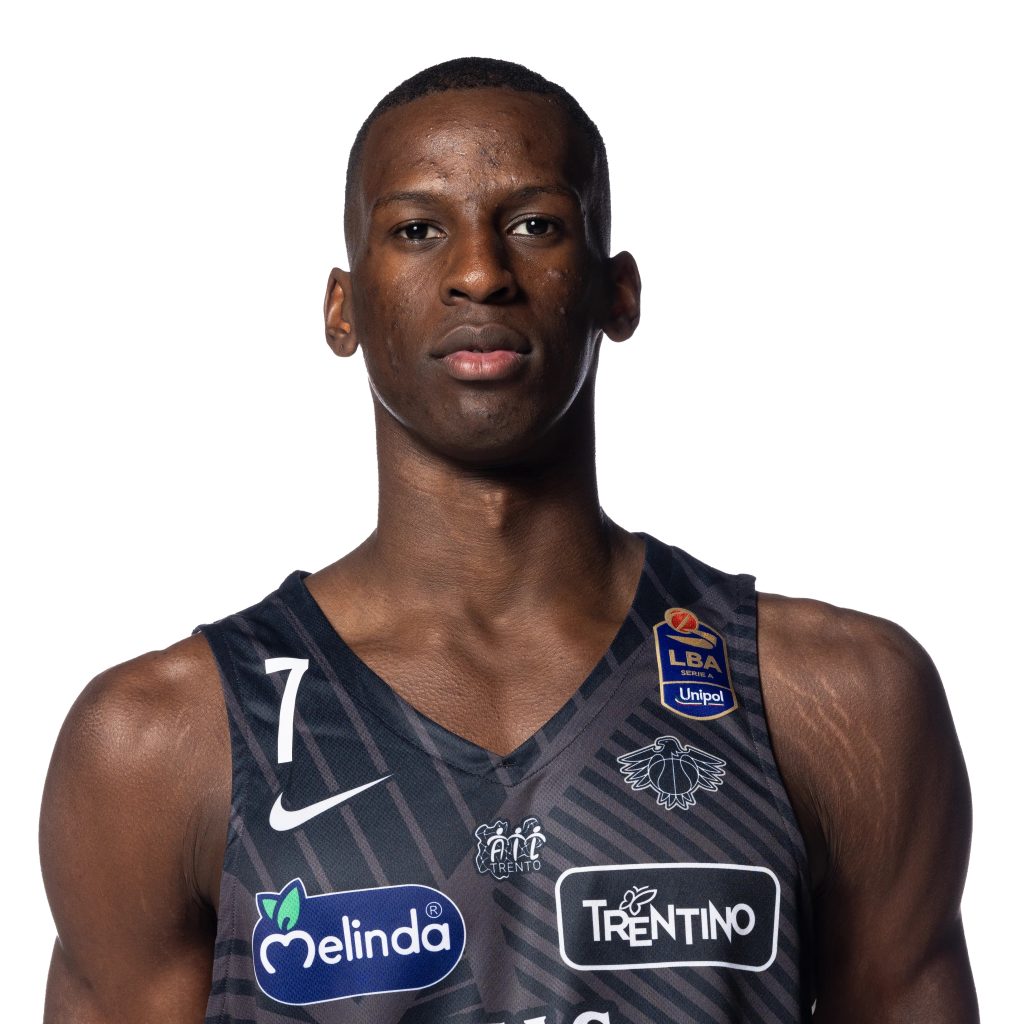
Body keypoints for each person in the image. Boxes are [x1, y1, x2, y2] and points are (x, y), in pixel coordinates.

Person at [39, 57, 977, 1024]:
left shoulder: (837, 700)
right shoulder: (161, 743)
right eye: (417, 230)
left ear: (619, 293)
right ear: (342, 307)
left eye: (535, 225)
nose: (481, 273)